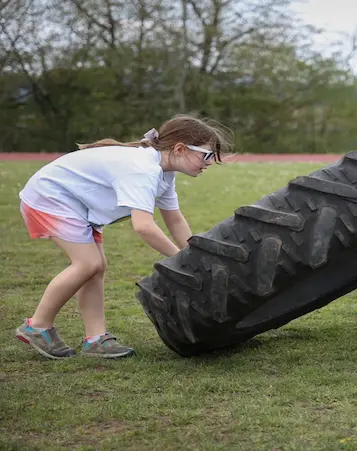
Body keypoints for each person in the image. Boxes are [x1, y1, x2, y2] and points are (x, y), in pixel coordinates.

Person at [14, 114, 233, 359]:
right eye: (206, 155)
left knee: (96, 268)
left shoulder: (163, 172)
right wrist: (181, 260)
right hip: (50, 197)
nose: (210, 162)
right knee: (88, 264)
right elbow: (144, 227)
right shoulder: (143, 170)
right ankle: (38, 325)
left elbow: (175, 219)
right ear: (180, 149)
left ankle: (95, 339)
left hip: (76, 205)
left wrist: (192, 256)